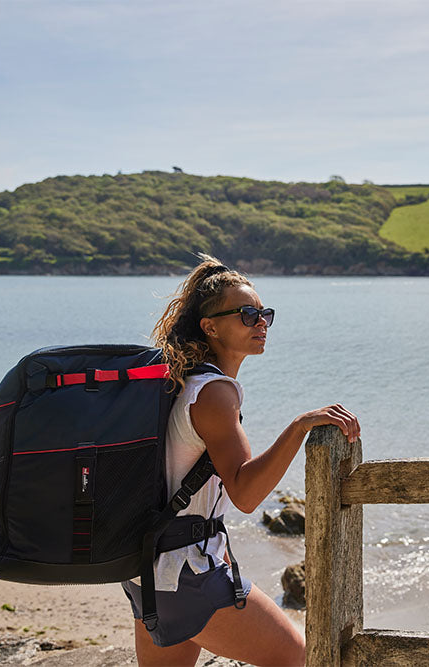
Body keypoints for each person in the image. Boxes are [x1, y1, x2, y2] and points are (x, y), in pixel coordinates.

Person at [121, 254, 360, 667]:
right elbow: (246, 494)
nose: (261, 323)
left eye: (264, 314)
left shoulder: (178, 382)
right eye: (247, 315)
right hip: (187, 576)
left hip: (147, 570)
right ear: (210, 327)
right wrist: (299, 426)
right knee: (300, 659)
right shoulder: (214, 393)